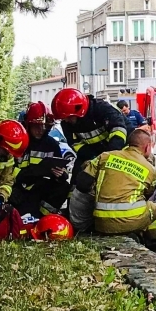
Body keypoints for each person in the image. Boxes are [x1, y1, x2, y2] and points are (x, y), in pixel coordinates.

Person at [51, 88, 128, 231]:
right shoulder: (67, 123)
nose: (66, 120)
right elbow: (76, 145)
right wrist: (92, 159)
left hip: (118, 151)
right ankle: (72, 215)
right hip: (91, 155)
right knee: (77, 180)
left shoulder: (102, 109)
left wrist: (106, 158)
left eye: (68, 117)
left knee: (113, 184)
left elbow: (119, 133)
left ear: (78, 110)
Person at [85, 127, 156, 247]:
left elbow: (82, 182)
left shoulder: (105, 156)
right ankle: (155, 243)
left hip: (101, 222)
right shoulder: (151, 170)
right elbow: (148, 194)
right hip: (130, 221)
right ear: (147, 147)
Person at [12, 101, 73, 218]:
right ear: (28, 124)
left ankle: (44, 217)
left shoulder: (51, 144)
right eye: (37, 126)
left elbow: (63, 169)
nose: (41, 130)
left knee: (63, 187)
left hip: (39, 187)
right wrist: (15, 186)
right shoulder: (18, 142)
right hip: (18, 187)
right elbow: (6, 172)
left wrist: (61, 175)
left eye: (45, 126)